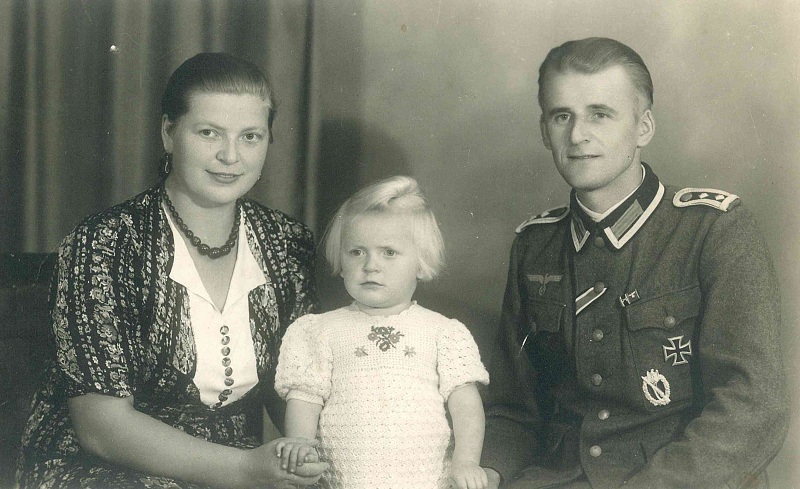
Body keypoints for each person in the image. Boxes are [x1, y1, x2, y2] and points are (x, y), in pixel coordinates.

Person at [480, 38, 789, 488]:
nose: (578, 135)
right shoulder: (535, 245)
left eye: (600, 114)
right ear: (545, 130)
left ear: (644, 127)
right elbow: (515, 410)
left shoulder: (713, 230)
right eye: (561, 115)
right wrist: (485, 470)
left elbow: (752, 408)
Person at [16, 52, 327, 488]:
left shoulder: (286, 242)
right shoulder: (105, 242)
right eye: (208, 133)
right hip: (101, 469)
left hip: (244, 471)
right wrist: (244, 470)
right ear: (168, 133)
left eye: (251, 136)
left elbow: (298, 385)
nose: (230, 156)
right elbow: (100, 426)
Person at [273, 175, 491, 488]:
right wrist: (301, 445)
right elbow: (305, 397)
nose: (371, 265)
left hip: (425, 479)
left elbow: (466, 405)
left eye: (388, 252)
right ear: (342, 259)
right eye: (356, 252)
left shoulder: (442, 332)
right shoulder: (320, 330)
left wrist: (466, 462)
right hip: (346, 479)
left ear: (420, 261)